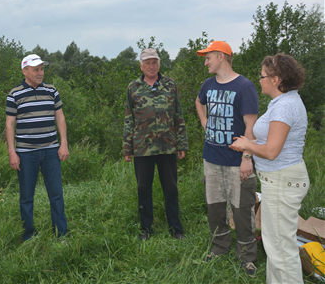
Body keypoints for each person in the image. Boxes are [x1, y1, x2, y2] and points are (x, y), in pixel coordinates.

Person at [230, 54, 309, 284]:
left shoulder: (285, 106)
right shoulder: (284, 102)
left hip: (282, 181)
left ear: (275, 79)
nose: (260, 80)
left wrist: (246, 144)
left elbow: (272, 151)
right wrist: (250, 142)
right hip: (280, 180)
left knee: (281, 249)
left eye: (262, 76)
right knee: (275, 245)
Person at [194, 41, 259, 276]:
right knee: (215, 207)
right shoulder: (208, 84)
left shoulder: (244, 86)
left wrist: (247, 157)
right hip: (211, 159)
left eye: (208, 57)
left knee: (242, 210)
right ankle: (219, 248)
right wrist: (204, 121)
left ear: (221, 56)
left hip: (236, 161)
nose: (205, 62)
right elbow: (199, 102)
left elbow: (251, 125)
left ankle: (247, 257)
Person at [123, 48, 189, 241]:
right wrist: (127, 148)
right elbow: (129, 119)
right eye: (147, 63)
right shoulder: (133, 87)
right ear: (141, 65)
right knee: (143, 188)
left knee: (171, 188)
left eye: (154, 62)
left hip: (167, 146)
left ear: (159, 64)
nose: (151, 66)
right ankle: (146, 228)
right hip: (142, 148)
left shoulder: (170, 85)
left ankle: (176, 229)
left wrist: (182, 144)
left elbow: (178, 115)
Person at [5, 54, 69, 241]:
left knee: (56, 194)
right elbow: (10, 124)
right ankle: (28, 236)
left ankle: (61, 234)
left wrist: (63, 143)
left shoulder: (51, 91)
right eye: (36, 69)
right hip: (25, 153)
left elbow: (60, 117)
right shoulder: (15, 94)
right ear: (25, 71)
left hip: (51, 150)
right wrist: (12, 152)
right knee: (26, 196)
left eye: (41, 69)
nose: (40, 73)